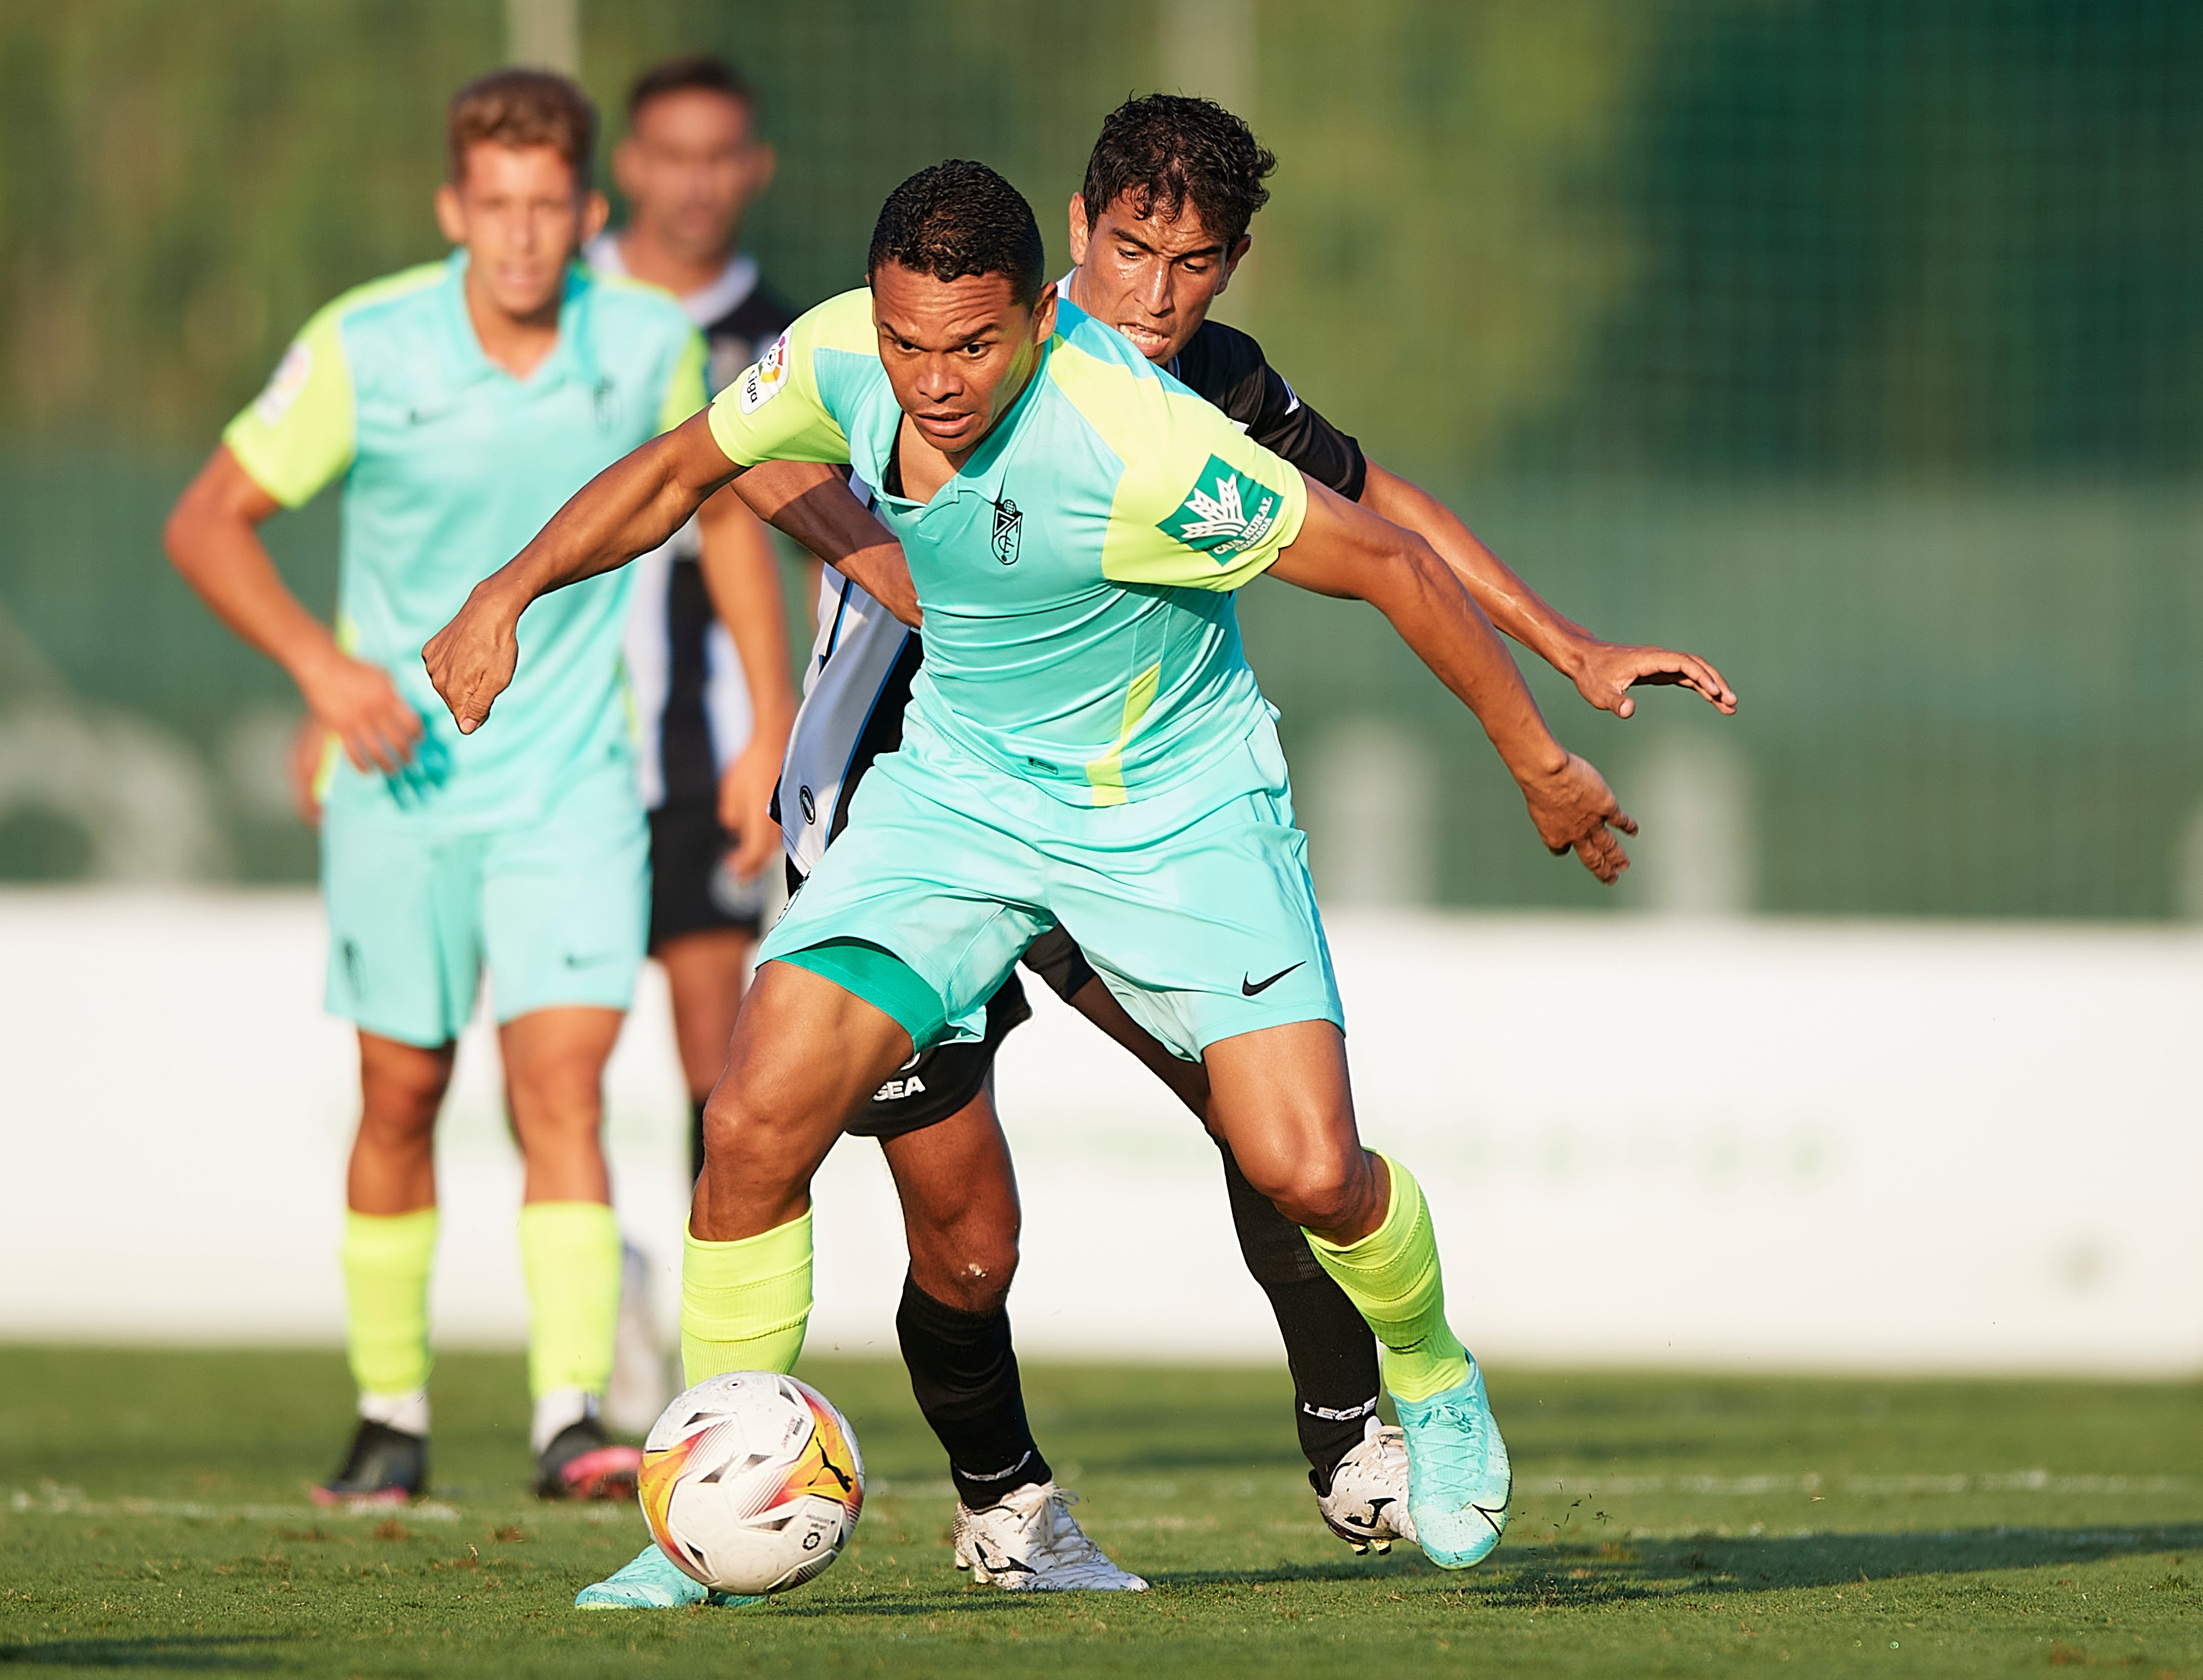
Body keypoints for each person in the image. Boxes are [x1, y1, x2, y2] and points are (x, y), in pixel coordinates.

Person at [424, 158, 1661, 1601]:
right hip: (954, 799)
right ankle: (693, 1525)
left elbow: (1386, 558)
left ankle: (1432, 1374)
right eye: (904, 344)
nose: (930, 385)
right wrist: (503, 592)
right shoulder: (843, 351)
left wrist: (1535, 756)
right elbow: (685, 466)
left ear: (1033, 316)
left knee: (1305, 1165)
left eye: (968, 347)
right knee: (755, 1117)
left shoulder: (1141, 445)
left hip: (1169, 811)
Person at [732, 93, 1739, 1584]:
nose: (1155, 290)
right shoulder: (950, 342)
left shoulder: (1208, 387)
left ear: (1229, 265)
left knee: (1267, 1128)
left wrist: (1566, 648)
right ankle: (1003, 1505)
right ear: (1077, 238)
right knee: (966, 1239)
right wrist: (879, 568)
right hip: (898, 809)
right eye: (1131, 251)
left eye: (1191, 263)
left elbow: (1383, 514)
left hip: (1108, 825)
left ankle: (1353, 1437)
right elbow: (739, 451)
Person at [162, 68, 793, 1507]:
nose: (518, 237)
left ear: (586, 211)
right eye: (491, 207)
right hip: (400, 778)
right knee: (401, 1091)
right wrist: (325, 676)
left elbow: (730, 520)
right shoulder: (364, 347)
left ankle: (569, 1412)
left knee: (557, 1086)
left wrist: (765, 722)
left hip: (573, 779)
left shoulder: (644, 343)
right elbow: (209, 522)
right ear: (456, 208)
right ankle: (389, 1416)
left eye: (544, 208)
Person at [587, 56, 796, 1177]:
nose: (695, 183)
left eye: (719, 156)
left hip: (712, 738)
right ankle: (597, 1289)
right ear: (630, 165)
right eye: (673, 155)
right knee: (553, 1051)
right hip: (557, 723)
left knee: (717, 1064)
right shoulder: (553, 308)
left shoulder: (786, 342)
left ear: (753, 169)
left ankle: (693, 1306)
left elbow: (829, 545)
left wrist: (789, 730)